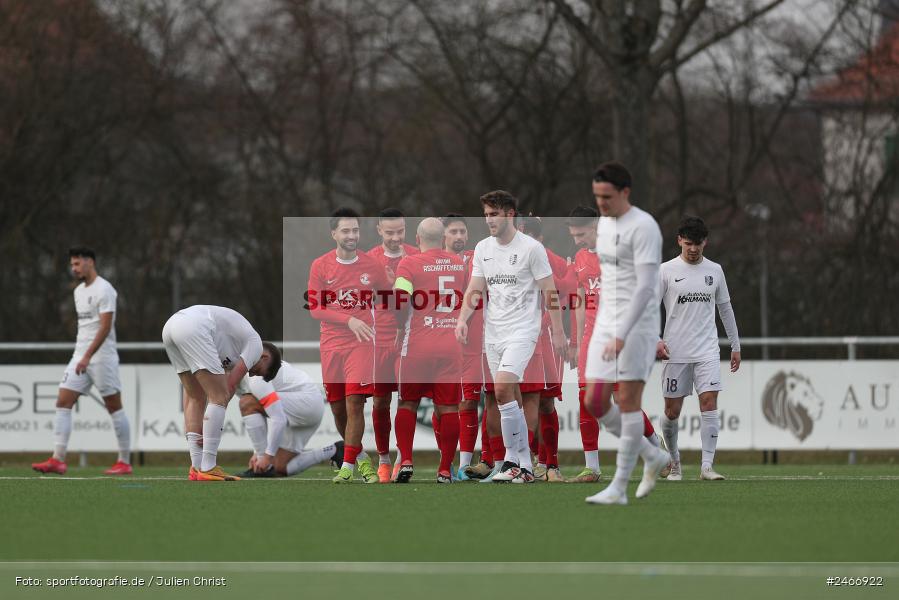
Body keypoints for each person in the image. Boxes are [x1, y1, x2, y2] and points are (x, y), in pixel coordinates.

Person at [456, 191, 567, 484]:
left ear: (510, 214)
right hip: (494, 333)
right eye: (486, 214)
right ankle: (525, 465)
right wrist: (463, 319)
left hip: (523, 330)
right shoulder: (482, 248)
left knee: (503, 389)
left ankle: (509, 460)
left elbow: (550, 292)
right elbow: (475, 288)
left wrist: (557, 332)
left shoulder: (531, 249)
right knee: (509, 395)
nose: (489, 220)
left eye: (494, 214)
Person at [582, 162, 670, 505]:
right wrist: (608, 326)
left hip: (638, 326)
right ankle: (652, 455)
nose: (601, 203)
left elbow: (647, 287)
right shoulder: (603, 226)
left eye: (607, 196)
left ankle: (618, 487)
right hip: (607, 322)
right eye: (597, 196)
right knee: (594, 401)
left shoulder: (644, 227)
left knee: (628, 402)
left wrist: (622, 333)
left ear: (625, 193)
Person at [568, 206, 664, 484]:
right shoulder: (580, 257)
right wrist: (576, 340)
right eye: (573, 235)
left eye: (581, 234)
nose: (577, 241)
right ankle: (592, 468)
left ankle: (655, 448)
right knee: (586, 398)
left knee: (623, 400)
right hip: (591, 338)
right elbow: (581, 300)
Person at [33, 247, 132, 476]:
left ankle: (124, 461)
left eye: (77, 264)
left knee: (114, 407)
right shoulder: (78, 291)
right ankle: (58, 459)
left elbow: (106, 327)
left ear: (90, 262)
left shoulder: (105, 289)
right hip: (80, 357)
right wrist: (82, 355)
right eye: (72, 265)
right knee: (63, 401)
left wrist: (88, 356)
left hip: (102, 358)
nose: (74, 268)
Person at [306, 207, 387, 484]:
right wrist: (348, 319)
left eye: (355, 230)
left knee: (355, 404)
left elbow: (387, 297)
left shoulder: (371, 266)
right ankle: (362, 460)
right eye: (346, 230)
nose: (352, 235)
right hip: (331, 345)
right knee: (339, 409)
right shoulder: (320, 265)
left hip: (361, 344)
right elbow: (316, 308)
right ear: (334, 234)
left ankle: (347, 466)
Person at [657, 216, 741, 481]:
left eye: (698, 244)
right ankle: (674, 461)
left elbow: (725, 309)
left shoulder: (715, 270)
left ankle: (707, 466)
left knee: (709, 402)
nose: (693, 249)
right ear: (679, 241)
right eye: (689, 243)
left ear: (706, 242)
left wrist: (736, 345)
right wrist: (655, 339)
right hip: (675, 351)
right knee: (672, 412)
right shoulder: (666, 271)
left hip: (707, 350)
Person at [393, 218, 466, 483]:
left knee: (407, 403)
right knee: (448, 408)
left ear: (417, 238)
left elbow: (400, 298)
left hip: (417, 346)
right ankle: (445, 469)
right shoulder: (460, 264)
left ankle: (406, 461)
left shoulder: (409, 263)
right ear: (444, 237)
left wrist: (400, 326)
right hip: (450, 347)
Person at [161, 304, 265, 481]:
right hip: (193, 325)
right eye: (260, 371)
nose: (253, 374)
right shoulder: (256, 346)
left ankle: (196, 467)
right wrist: (209, 429)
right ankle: (208, 467)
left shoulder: (231, 346)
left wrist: (206, 425)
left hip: (171, 326)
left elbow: (197, 394)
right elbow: (229, 386)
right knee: (219, 396)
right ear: (265, 357)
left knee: (196, 396)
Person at [236, 342, 343, 478]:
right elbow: (264, 416)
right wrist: (258, 454)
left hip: (305, 402)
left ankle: (265, 464)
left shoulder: (256, 379)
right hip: (310, 407)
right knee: (280, 467)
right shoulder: (242, 376)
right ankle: (335, 450)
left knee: (247, 403)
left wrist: (264, 456)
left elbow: (277, 418)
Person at [367, 208, 419, 482]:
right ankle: (383, 459)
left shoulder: (415, 255)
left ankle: (402, 457)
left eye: (400, 231)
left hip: (410, 337)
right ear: (379, 230)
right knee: (380, 400)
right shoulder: (369, 260)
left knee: (407, 399)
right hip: (379, 339)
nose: (396, 237)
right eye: (389, 232)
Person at [442, 214, 493, 481]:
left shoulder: (479, 255)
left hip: (482, 338)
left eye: (463, 231)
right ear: (444, 236)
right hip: (447, 341)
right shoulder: (435, 263)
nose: (460, 236)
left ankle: (476, 462)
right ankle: (448, 461)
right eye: (454, 232)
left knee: (481, 398)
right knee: (452, 403)